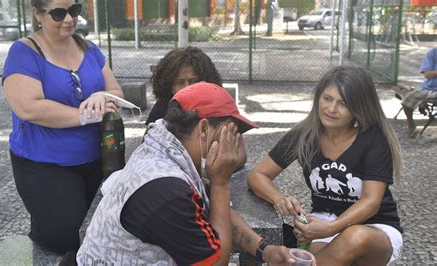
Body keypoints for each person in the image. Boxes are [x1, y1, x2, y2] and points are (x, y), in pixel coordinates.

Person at [77, 82, 294, 265]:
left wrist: (264, 250)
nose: (235, 146)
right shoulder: (167, 190)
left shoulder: (163, 149)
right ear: (204, 129)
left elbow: (209, 210)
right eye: (230, 133)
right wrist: (221, 184)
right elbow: (216, 261)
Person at [247, 66, 404, 265]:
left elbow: (371, 202)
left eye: (343, 103)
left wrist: (333, 228)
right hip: (322, 222)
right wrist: (279, 198)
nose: (331, 109)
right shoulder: (304, 135)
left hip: (376, 228)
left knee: (355, 237)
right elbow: (257, 175)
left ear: (359, 108)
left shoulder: (374, 139)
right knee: (316, 260)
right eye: (327, 98)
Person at [2, 0, 123, 254]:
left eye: (74, 10)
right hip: (45, 164)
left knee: (107, 229)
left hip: (98, 159)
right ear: (37, 14)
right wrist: (87, 115)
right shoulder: (23, 52)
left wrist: (102, 96)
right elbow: (28, 108)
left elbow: (115, 91)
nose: (69, 19)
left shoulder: (90, 49)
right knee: (64, 237)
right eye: (58, 13)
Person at [145, 46, 223, 126]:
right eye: (180, 82)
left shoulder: (218, 109)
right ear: (170, 86)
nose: (187, 88)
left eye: (193, 81)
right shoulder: (161, 109)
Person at [401, 47, 437, 137]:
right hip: (430, 88)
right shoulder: (432, 53)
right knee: (407, 100)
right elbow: (427, 74)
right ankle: (411, 125)